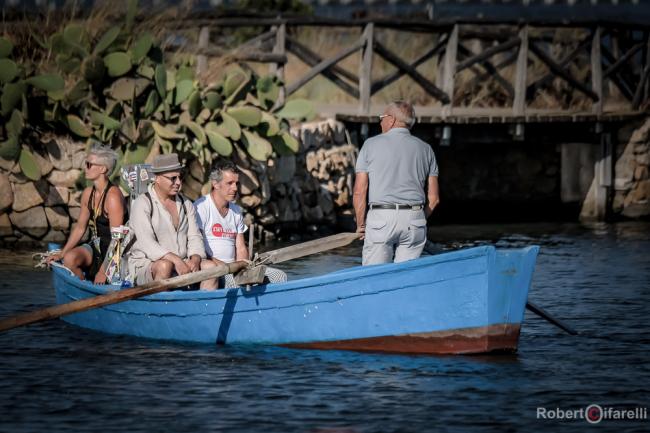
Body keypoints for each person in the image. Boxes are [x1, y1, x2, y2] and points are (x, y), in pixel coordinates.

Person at [353, 101, 440, 266]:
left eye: (382, 117)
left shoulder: (370, 145)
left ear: (391, 119)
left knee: (374, 277)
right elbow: (434, 199)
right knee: (406, 277)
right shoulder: (427, 149)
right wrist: (419, 217)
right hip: (415, 219)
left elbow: (359, 191)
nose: (380, 121)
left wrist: (361, 224)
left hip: (381, 218)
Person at [194, 160, 287, 289]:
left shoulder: (236, 211)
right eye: (230, 183)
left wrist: (241, 266)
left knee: (279, 276)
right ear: (215, 184)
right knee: (235, 284)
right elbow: (198, 247)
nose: (235, 188)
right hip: (214, 269)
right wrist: (223, 266)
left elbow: (241, 247)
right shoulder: (201, 207)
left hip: (235, 268)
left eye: (236, 183)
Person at [46, 144, 127, 283]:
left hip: (114, 251)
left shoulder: (113, 197)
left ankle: (95, 288)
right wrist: (62, 253)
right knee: (69, 259)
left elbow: (117, 239)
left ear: (102, 169)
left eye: (89, 164)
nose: (85, 168)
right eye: (86, 163)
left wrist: (103, 271)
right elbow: (80, 228)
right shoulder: (88, 193)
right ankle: (83, 286)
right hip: (95, 246)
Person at [126, 153, 205, 285]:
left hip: (181, 261)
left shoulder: (186, 204)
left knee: (210, 268)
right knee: (165, 266)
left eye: (180, 177)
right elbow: (147, 243)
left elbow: (194, 236)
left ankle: (202, 304)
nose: (178, 183)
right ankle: (156, 303)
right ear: (157, 178)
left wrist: (195, 258)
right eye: (173, 178)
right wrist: (175, 260)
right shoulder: (143, 203)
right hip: (147, 264)